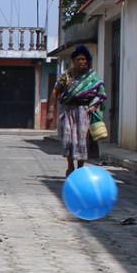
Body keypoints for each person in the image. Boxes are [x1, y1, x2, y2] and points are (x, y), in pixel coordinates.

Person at [47, 44, 107, 177]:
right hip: (67, 110)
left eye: (84, 59)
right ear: (73, 61)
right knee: (68, 139)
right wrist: (51, 110)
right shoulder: (66, 76)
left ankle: (80, 168)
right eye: (78, 59)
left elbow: (100, 93)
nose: (81, 62)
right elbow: (55, 92)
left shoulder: (91, 77)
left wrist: (93, 105)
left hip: (83, 112)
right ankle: (70, 166)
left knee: (81, 141)